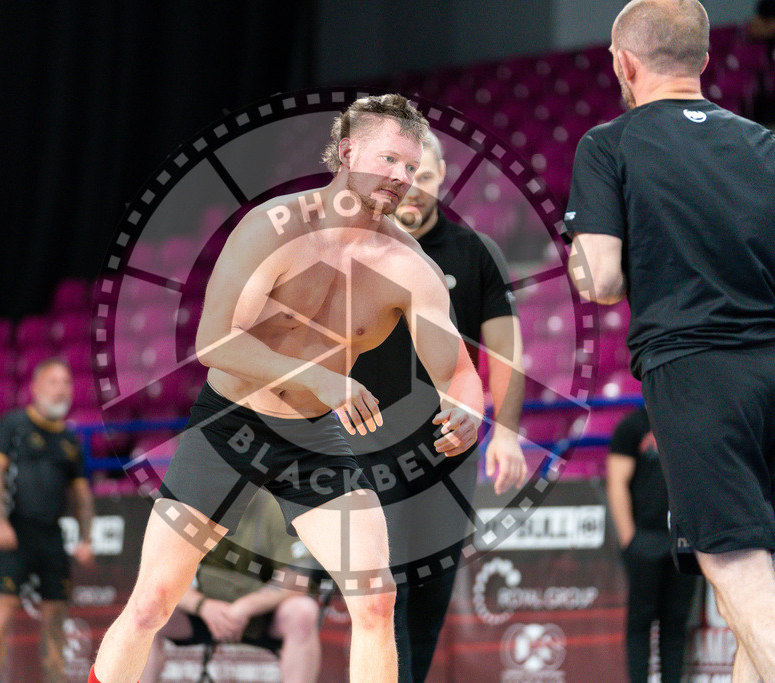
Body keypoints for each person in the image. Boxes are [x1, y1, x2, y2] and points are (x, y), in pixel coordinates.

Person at [89, 94, 485, 683]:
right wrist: (324, 377)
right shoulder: (272, 228)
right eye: (390, 161)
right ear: (348, 152)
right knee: (152, 603)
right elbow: (215, 342)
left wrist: (470, 410)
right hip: (232, 423)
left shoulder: (410, 269)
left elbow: (455, 368)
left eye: (411, 167)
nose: (402, 178)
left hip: (315, 440)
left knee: (375, 602)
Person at [563, 0, 775, 680]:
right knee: (755, 594)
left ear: (623, 63)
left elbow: (598, 278)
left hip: (694, 377)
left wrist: (586, 258)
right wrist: (734, 276)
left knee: (748, 595)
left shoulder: (608, 143)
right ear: (705, 60)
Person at [346, 129, 526, 682]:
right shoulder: (356, 249)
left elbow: (509, 352)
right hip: (369, 445)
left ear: (441, 176)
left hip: (450, 451)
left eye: (424, 174)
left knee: (429, 599)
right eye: (402, 173)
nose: (412, 187)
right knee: (383, 593)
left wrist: (508, 432)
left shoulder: (475, 255)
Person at [0, 357, 95, 682]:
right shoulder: (13, 424)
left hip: (51, 536)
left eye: (67, 383)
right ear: (35, 387)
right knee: (0, 614)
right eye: (53, 382)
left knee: (56, 616)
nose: (61, 390)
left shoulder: (70, 441)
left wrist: (86, 539)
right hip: (15, 530)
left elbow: (81, 495)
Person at [140, 490, 321, 683]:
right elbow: (161, 577)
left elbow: (297, 579)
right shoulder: (189, 507)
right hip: (200, 610)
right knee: (147, 606)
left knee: (303, 611)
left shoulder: (277, 507)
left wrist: (245, 607)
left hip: (262, 613)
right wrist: (204, 606)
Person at [606, 408, 699, 682]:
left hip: (685, 540)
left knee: (676, 623)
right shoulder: (632, 426)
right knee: (640, 622)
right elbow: (617, 483)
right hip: (645, 538)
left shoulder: (694, 420)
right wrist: (630, 540)